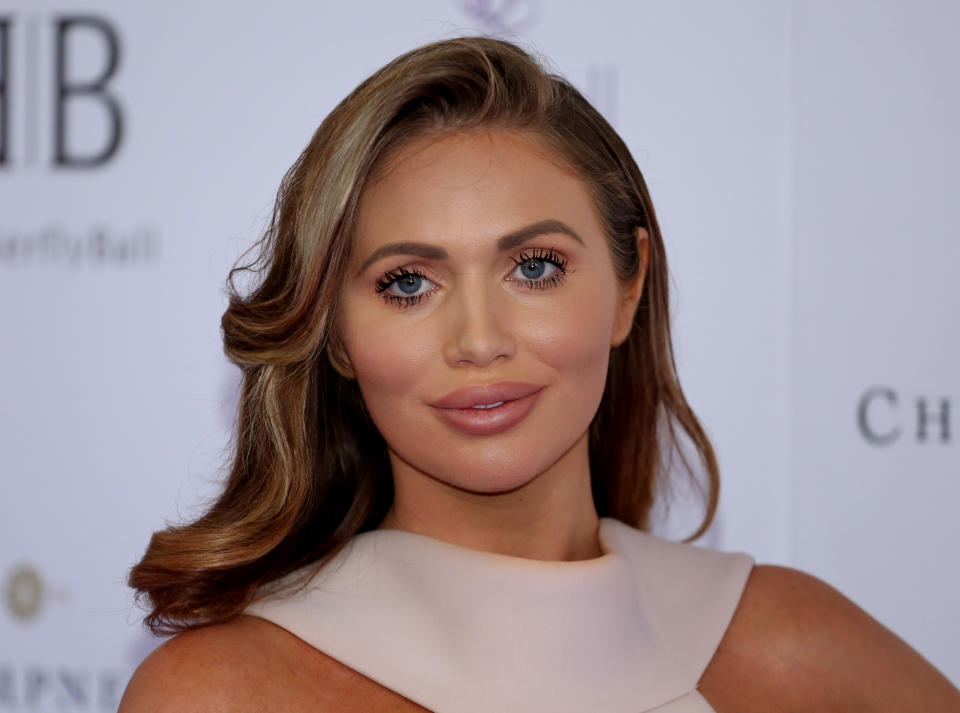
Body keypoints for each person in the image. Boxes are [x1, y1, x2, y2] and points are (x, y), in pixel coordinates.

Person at [119, 37, 960, 712]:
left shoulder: (788, 645)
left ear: (629, 286)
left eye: (536, 267)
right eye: (407, 282)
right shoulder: (224, 695)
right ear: (335, 336)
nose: (479, 341)